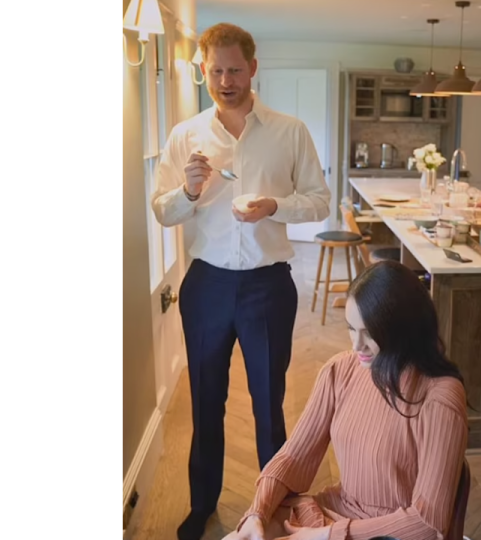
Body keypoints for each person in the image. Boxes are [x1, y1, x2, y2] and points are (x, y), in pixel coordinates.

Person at [149, 22, 332, 540]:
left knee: (268, 401)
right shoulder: (185, 135)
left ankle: (271, 506)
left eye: (234, 69)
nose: (225, 80)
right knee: (206, 400)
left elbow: (320, 200)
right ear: (204, 70)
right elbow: (162, 212)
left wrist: (275, 205)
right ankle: (201, 504)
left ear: (253, 68)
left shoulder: (289, 130)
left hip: (268, 286)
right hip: (206, 285)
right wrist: (187, 190)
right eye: (215, 71)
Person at [224, 260, 469, 540]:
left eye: (370, 333)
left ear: (404, 329)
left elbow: (427, 523)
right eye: (352, 328)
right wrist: (258, 511)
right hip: (335, 513)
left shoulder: (441, 398)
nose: (356, 345)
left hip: (393, 533)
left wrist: (327, 536)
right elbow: (293, 456)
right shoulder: (339, 371)